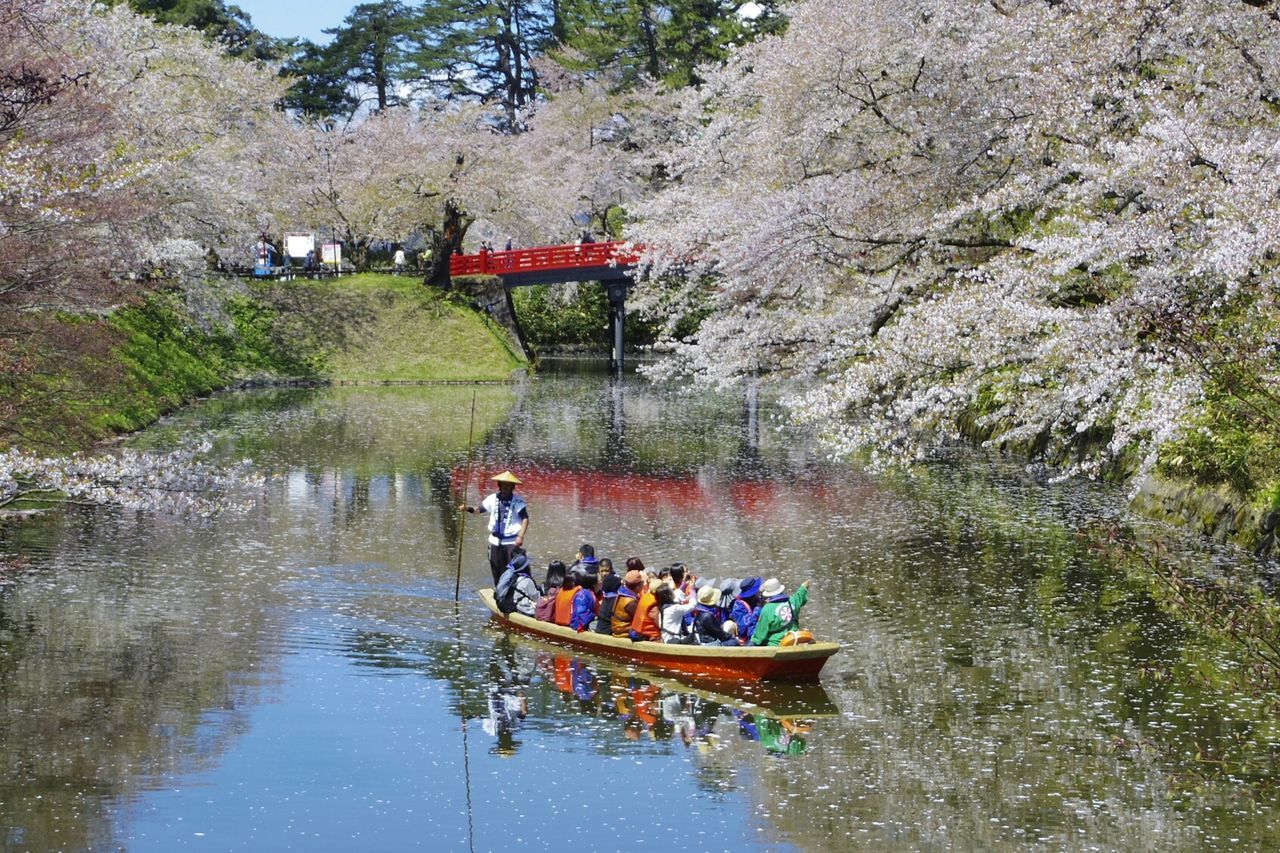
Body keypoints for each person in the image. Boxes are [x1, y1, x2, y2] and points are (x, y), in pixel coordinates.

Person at [463, 471, 529, 585]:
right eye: (504, 485)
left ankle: (514, 594)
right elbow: (479, 510)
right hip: (495, 541)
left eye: (509, 485)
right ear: (499, 485)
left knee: (514, 570)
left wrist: (520, 536)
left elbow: (525, 519)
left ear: (513, 487)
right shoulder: (492, 498)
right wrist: (467, 508)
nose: (506, 488)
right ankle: (499, 592)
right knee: (497, 570)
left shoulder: (518, 501)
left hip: (511, 542)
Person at [750, 578, 811, 646]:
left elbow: (759, 637)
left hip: (775, 645)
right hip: (794, 641)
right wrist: (804, 585)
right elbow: (801, 594)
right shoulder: (793, 601)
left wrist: (751, 642)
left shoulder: (766, 609)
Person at [729, 577, 763, 645]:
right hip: (746, 639)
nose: (759, 592)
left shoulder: (755, 600)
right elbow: (742, 627)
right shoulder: (739, 606)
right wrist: (757, 609)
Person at [611, 569, 644, 637]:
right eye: (642, 583)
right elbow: (640, 618)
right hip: (623, 630)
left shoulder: (623, 592)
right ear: (637, 586)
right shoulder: (630, 602)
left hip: (618, 627)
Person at [629, 577, 662, 642]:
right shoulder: (653, 603)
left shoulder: (646, 596)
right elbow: (657, 622)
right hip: (645, 633)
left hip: (637, 630)